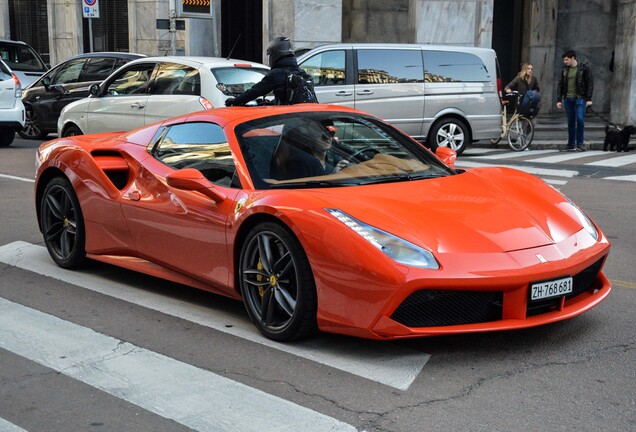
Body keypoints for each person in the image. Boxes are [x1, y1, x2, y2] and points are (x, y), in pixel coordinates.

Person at [225, 36, 311, 106]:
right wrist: (271, 103)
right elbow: (290, 99)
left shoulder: (277, 74)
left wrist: (235, 101)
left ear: (275, 54)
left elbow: (254, 92)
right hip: (305, 117)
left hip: (289, 119)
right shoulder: (301, 73)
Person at [556, 50, 594, 152]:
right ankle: (571, 144)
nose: (565, 61)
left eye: (566, 59)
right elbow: (560, 84)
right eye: (564, 59)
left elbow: (590, 83)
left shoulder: (584, 68)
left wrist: (589, 99)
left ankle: (580, 143)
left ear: (573, 58)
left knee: (580, 119)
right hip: (568, 99)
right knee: (571, 121)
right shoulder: (564, 70)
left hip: (580, 98)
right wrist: (559, 99)